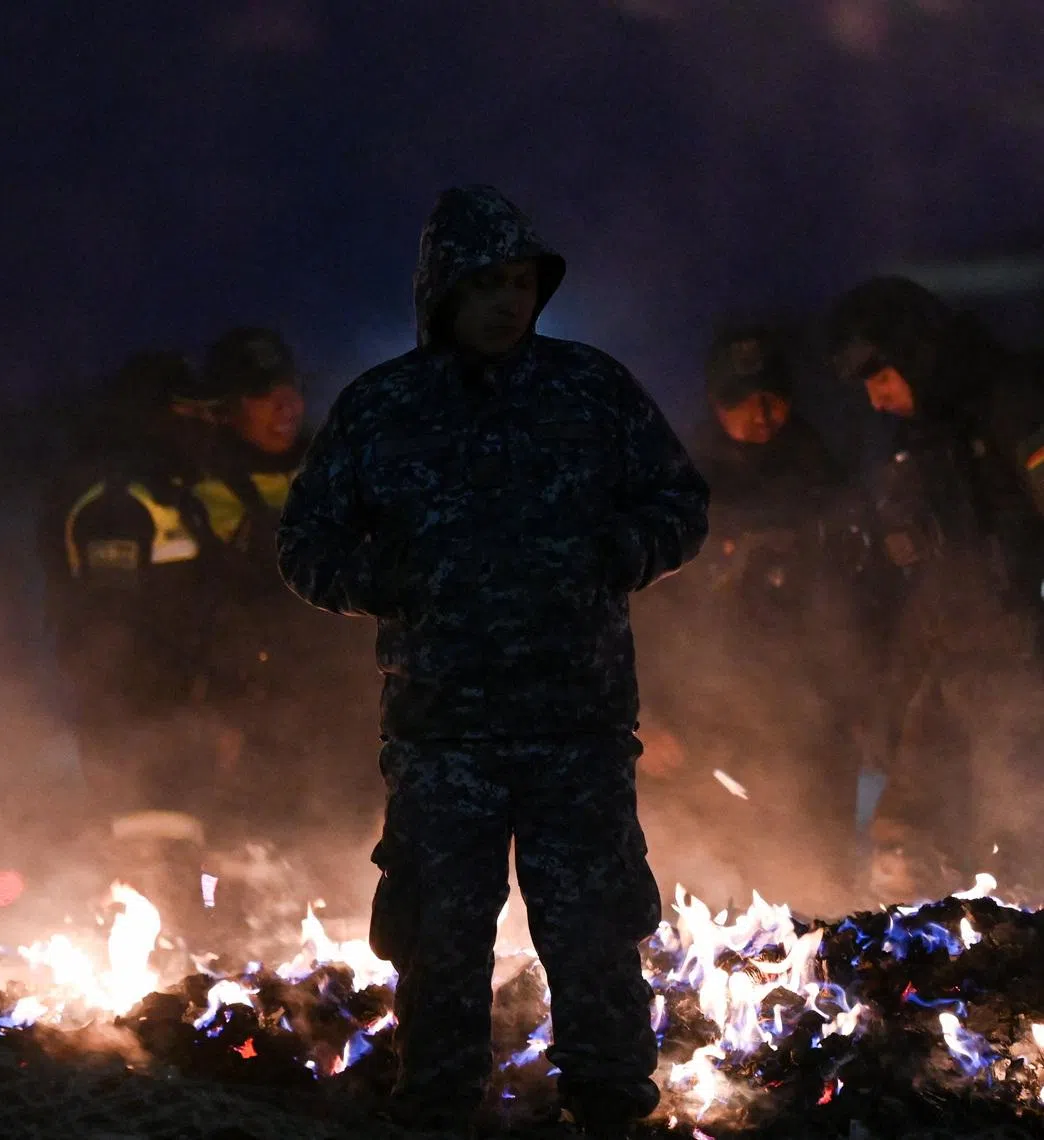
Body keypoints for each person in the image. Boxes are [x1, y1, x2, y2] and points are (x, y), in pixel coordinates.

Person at [277, 185, 708, 1138]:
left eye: (521, 284)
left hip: (576, 728)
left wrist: (619, 552)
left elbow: (679, 501)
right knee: (439, 939)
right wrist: (388, 578)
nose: (509, 304)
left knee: (595, 936)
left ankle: (607, 1109)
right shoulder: (382, 409)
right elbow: (305, 543)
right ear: (443, 292)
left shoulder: (591, 389)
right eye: (487, 286)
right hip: (443, 735)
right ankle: (438, 1109)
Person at [633, 325, 871, 907]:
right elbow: (647, 615)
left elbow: (860, 605)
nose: (762, 414)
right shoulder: (681, 484)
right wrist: (647, 717)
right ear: (717, 404)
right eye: (742, 400)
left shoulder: (823, 475)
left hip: (814, 717)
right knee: (721, 874)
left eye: (773, 397)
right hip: (712, 722)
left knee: (821, 872)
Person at [828, 276, 1044, 898]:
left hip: (1023, 671)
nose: (876, 400)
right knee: (900, 844)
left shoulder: (1012, 406)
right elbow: (934, 586)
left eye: (881, 379)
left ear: (915, 353)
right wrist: (891, 704)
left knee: (1023, 843)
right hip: (957, 666)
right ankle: (905, 975)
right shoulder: (924, 444)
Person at [38, 350, 218, 917]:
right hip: (138, 725)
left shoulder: (171, 493)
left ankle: (181, 977)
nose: (204, 425)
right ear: (153, 417)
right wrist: (161, 715)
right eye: (188, 412)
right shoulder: (116, 504)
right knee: (148, 862)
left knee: (179, 854)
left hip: (178, 714)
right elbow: (106, 637)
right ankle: (156, 984)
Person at [186, 327, 376, 843]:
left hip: (344, 698)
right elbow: (195, 614)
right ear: (226, 407)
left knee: (351, 844)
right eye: (261, 393)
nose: (285, 403)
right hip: (253, 709)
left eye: (289, 386)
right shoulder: (193, 487)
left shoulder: (335, 466)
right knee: (258, 847)